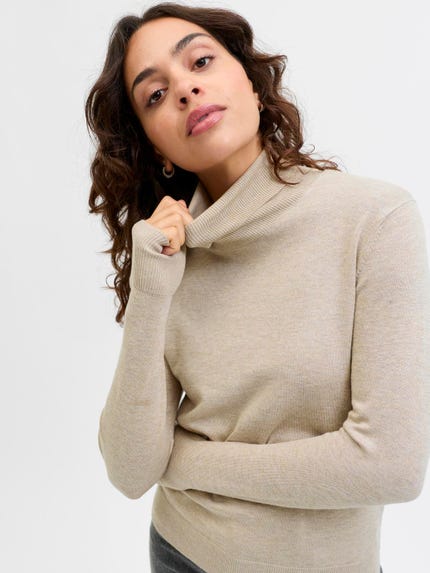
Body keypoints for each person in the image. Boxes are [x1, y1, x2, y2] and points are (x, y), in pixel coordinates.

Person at [85, 2, 430, 572]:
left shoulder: (374, 219)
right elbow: (128, 470)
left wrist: (182, 463)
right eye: (155, 94)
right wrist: (150, 292)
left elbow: (390, 465)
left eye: (200, 62)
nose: (185, 90)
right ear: (156, 147)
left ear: (251, 81)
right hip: (182, 555)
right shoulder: (167, 255)